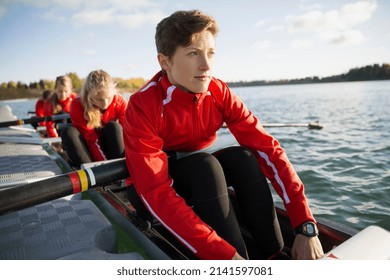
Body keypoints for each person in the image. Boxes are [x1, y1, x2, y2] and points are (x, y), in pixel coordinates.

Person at [123, 10, 324, 260]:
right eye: (193, 53)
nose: (206, 66)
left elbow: (269, 150)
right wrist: (224, 257)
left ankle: (274, 254)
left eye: (210, 53)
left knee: (244, 158)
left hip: (199, 176)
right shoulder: (142, 104)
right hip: (151, 191)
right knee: (204, 166)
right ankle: (237, 261)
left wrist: (305, 224)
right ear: (165, 62)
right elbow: (154, 190)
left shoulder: (219, 92)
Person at [61, 69, 127, 168]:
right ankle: (92, 172)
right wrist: (103, 169)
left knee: (114, 127)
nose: (105, 103)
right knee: (68, 132)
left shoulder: (119, 101)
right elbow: (92, 141)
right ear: (89, 95)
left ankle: (120, 167)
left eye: (108, 97)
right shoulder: (77, 105)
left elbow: (129, 133)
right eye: (99, 99)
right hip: (88, 148)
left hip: (109, 145)